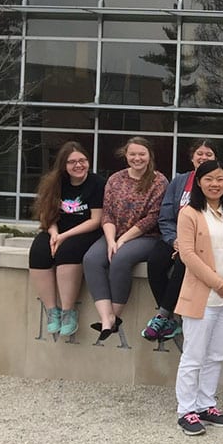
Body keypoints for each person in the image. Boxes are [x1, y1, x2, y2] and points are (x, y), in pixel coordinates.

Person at [172, 159, 223, 435]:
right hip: (203, 296)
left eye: (220, 179)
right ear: (199, 183)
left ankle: (206, 404)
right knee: (194, 355)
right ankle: (187, 410)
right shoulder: (189, 213)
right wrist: (218, 283)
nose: (215, 184)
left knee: (216, 355)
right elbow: (188, 255)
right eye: (209, 179)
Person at [142, 139, 223, 343]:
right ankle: (169, 316)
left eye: (208, 154)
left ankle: (163, 315)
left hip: (207, 242)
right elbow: (165, 217)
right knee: (156, 262)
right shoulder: (179, 181)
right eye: (199, 154)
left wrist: (188, 247)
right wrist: (175, 240)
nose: (203, 158)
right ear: (192, 157)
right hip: (175, 238)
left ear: (215, 158)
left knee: (183, 264)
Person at [82, 137, 168, 341]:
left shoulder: (159, 181)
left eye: (141, 154)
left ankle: (115, 315)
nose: (137, 158)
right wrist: (111, 240)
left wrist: (122, 241)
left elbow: (153, 217)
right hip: (114, 232)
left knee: (120, 258)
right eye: (133, 154)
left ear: (149, 156)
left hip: (146, 236)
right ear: (126, 155)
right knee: (91, 259)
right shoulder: (115, 179)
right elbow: (108, 213)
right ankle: (106, 318)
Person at [28, 141, 104, 339]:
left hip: (85, 231)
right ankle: (52, 310)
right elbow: (47, 215)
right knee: (38, 251)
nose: (78, 165)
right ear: (64, 165)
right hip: (57, 229)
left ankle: (68, 311)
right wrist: (54, 234)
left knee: (67, 251)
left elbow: (96, 220)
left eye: (82, 160)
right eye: (72, 162)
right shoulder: (54, 182)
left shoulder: (97, 184)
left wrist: (63, 237)